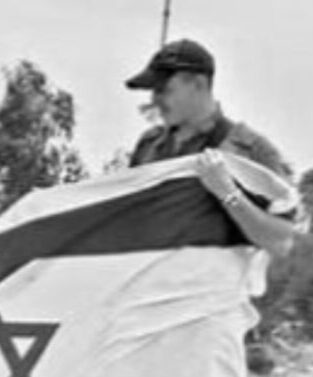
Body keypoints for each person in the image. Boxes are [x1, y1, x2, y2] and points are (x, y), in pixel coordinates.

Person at [125, 39, 305, 256]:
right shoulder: (148, 146)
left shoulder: (251, 150)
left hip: (214, 288)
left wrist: (228, 194)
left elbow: (283, 242)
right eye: (154, 92)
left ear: (199, 84)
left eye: (164, 90)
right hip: (151, 287)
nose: (155, 100)